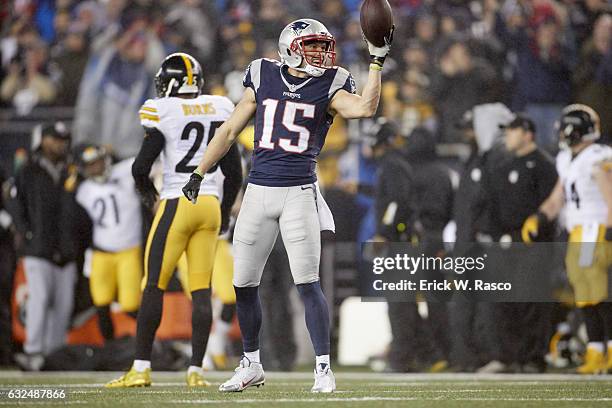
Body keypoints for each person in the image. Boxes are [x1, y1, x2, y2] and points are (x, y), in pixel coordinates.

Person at [182, 18, 393, 392]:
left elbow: (363, 109)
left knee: (307, 283)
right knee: (243, 284)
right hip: (257, 192)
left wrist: (376, 62)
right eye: (313, 46)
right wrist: (199, 172)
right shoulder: (262, 73)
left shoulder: (332, 81)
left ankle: (324, 369)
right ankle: (251, 363)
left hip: (299, 193)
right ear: (290, 48)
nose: (321, 53)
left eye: (323, 46)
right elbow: (229, 130)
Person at [105, 52, 242, 387]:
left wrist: (148, 195)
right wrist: (223, 214)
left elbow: (140, 168)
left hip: (177, 200)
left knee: (153, 285)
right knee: (201, 289)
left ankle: (140, 368)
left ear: (171, 83)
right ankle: (196, 371)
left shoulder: (161, 110)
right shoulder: (220, 106)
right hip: (210, 203)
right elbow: (234, 173)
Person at [522, 104, 612, 374]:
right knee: (585, 293)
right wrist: (539, 216)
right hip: (579, 231)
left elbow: (610, 195)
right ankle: (596, 351)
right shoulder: (568, 159)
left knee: (597, 292)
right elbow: (558, 197)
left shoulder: (598, 157)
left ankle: (606, 349)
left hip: (595, 229)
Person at [480, 114, 557, 373]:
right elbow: (494, 205)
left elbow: (552, 207)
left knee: (532, 301)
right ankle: (505, 356)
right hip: (504, 242)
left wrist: (539, 235)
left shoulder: (544, 165)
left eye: (512, 131)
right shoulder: (504, 164)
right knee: (501, 300)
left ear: (527, 133)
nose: (508, 136)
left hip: (533, 243)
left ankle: (533, 358)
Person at [7, 122, 76, 371]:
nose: (60, 144)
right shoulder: (28, 170)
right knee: (40, 298)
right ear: (44, 140)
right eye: (55, 139)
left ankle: (54, 354)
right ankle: (33, 351)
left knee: (63, 304)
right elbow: (14, 203)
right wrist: (26, 233)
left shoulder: (71, 170)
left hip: (65, 251)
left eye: (64, 139)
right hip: (37, 249)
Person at [70, 144, 143, 342]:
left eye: (98, 162)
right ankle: (109, 349)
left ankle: (151, 345)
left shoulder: (125, 171)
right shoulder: (83, 190)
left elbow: (148, 160)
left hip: (128, 250)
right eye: (91, 165)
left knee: (130, 305)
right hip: (101, 252)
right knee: (101, 303)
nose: (96, 168)